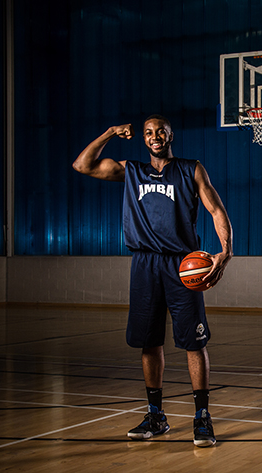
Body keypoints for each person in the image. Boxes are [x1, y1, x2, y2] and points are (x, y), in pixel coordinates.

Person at [72, 115, 232, 447]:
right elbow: (82, 165)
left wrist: (225, 252)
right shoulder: (131, 171)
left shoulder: (190, 169)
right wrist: (109, 132)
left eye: (160, 131)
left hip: (182, 264)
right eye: (148, 132)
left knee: (193, 341)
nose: (154, 136)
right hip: (144, 262)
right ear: (143, 139)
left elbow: (216, 209)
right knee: (149, 341)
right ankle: (156, 415)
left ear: (171, 135)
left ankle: (202, 417)